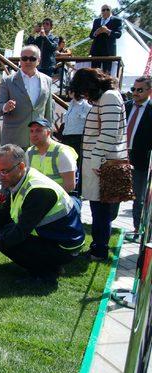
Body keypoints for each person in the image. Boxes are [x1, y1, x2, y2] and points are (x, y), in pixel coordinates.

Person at [0, 144, 85, 283]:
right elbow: (5, 212)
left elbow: (19, 233)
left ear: (21, 166)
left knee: (9, 240)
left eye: (4, 171)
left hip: (65, 247)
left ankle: (46, 274)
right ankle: (50, 265)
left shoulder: (38, 191)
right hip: (54, 237)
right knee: (2, 234)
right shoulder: (21, 178)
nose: (0, 177)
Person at [69, 68, 128, 261]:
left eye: (84, 91)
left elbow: (109, 133)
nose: (85, 96)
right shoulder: (107, 97)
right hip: (100, 161)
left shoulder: (109, 97)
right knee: (99, 209)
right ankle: (98, 246)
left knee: (101, 210)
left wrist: (95, 159)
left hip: (102, 163)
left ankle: (99, 249)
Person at [0, 45, 54, 148]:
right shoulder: (8, 81)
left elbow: (48, 111)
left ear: (38, 61)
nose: (28, 61)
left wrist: (49, 135)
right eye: (24, 58)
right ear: (20, 60)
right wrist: (5, 107)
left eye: (32, 59)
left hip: (39, 140)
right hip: (14, 140)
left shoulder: (47, 80)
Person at [125, 76, 152, 239]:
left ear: (149, 91)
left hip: (141, 160)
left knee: (139, 198)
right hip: (120, 156)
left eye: (139, 90)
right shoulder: (126, 106)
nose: (135, 93)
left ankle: (137, 229)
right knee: (113, 192)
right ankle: (108, 223)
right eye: (133, 89)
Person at [26, 119, 77, 193]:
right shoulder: (29, 152)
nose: (34, 134)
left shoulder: (62, 152)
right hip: (38, 196)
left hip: (63, 197)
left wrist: (48, 198)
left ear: (48, 133)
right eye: (31, 131)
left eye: (38, 130)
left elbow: (69, 186)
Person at [61, 92, 91, 192]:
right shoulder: (71, 104)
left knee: (77, 163)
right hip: (67, 136)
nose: (70, 93)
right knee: (68, 162)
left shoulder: (86, 106)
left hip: (78, 137)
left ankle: (78, 188)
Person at [89, 5, 123, 73]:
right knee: (94, 73)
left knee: (106, 73)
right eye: (103, 10)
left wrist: (107, 31)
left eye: (107, 9)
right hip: (96, 51)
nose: (105, 11)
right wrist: (97, 32)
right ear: (101, 12)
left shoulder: (116, 20)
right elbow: (91, 35)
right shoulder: (97, 21)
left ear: (110, 10)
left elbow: (118, 34)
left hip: (108, 51)